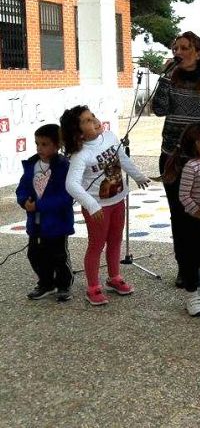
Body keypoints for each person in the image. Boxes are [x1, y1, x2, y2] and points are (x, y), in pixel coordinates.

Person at [152, 31, 200, 289]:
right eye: (176, 48)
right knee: (178, 213)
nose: (178, 52)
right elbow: (159, 109)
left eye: (185, 48)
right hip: (173, 157)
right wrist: (164, 77)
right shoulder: (170, 78)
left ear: (198, 53)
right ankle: (186, 266)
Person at [61, 106, 150, 306]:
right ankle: (93, 287)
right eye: (87, 120)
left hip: (118, 201)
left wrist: (138, 176)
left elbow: (123, 159)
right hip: (98, 209)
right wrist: (92, 205)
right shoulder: (80, 154)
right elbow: (71, 184)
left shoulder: (110, 137)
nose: (94, 120)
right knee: (96, 245)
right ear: (78, 133)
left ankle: (114, 277)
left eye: (92, 116)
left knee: (116, 240)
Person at [162, 123, 200, 318]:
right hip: (194, 223)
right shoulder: (192, 166)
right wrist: (197, 212)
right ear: (199, 142)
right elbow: (184, 195)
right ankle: (192, 295)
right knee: (191, 259)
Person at [15, 124, 75, 302]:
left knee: (58, 255)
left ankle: (63, 284)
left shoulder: (64, 167)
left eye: (44, 144)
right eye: (37, 144)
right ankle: (46, 283)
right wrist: (24, 201)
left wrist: (40, 205)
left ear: (57, 145)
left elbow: (65, 197)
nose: (39, 148)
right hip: (35, 222)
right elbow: (22, 188)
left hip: (57, 223)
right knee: (34, 253)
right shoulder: (32, 165)